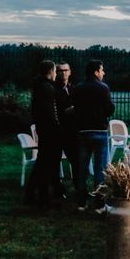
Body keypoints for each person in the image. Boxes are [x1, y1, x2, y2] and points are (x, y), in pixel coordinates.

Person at [73, 59, 115, 211]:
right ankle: (99, 204)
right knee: (100, 170)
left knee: (82, 169)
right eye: (102, 70)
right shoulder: (103, 88)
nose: (103, 73)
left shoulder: (78, 88)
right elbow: (110, 109)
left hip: (82, 131)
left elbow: (75, 108)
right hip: (99, 132)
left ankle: (81, 203)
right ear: (96, 72)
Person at [25, 60, 62, 207]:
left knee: (42, 163)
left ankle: (35, 194)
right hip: (49, 131)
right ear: (50, 71)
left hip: (44, 129)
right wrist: (57, 127)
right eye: (54, 71)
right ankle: (42, 196)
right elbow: (50, 112)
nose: (55, 74)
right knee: (45, 164)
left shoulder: (40, 86)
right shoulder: (46, 88)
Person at [55, 62, 77, 191]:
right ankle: (57, 189)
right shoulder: (54, 89)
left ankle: (78, 187)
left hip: (72, 130)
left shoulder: (73, 88)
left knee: (75, 160)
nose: (63, 73)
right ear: (56, 72)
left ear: (70, 72)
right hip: (59, 129)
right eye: (60, 70)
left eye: (66, 70)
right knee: (54, 161)